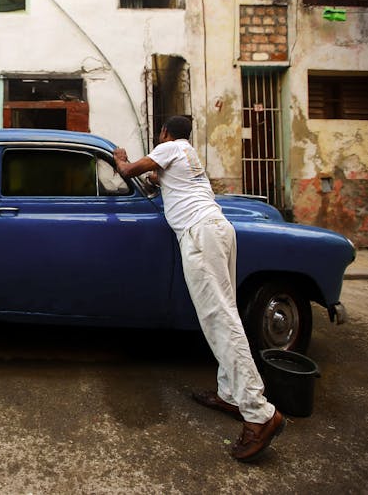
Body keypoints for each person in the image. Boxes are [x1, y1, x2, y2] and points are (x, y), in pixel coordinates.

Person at [113, 116, 285, 462]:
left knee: (220, 319)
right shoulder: (188, 154)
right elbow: (159, 180)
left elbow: (131, 171)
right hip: (217, 227)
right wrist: (155, 177)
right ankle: (229, 394)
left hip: (199, 234)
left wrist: (119, 157)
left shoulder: (168, 147)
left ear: (164, 133)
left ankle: (259, 413)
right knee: (225, 313)